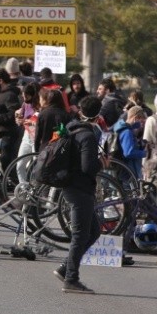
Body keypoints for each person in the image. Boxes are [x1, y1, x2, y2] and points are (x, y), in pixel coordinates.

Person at [53, 95, 104, 294]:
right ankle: (71, 279)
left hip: (70, 186)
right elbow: (87, 167)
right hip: (79, 188)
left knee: (94, 231)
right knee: (80, 235)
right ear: (97, 116)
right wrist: (102, 163)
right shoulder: (88, 136)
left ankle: (65, 268)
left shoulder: (71, 128)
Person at [0, 69, 22, 171]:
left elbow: (14, 112)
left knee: (6, 159)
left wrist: (0, 119)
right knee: (0, 158)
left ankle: (9, 179)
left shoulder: (10, 95)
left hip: (8, 132)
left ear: (1, 81)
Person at [111, 106, 147, 179]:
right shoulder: (127, 132)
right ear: (136, 118)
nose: (141, 125)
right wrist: (146, 153)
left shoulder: (121, 128)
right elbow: (128, 152)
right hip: (127, 171)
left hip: (122, 169)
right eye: (141, 122)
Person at [15, 82, 41, 182]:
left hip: (37, 137)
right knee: (20, 165)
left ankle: (36, 187)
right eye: (23, 95)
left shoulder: (39, 104)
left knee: (36, 166)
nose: (24, 98)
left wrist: (31, 122)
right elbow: (20, 117)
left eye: (27, 96)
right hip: (27, 135)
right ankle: (24, 187)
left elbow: (41, 121)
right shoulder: (25, 104)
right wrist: (18, 120)